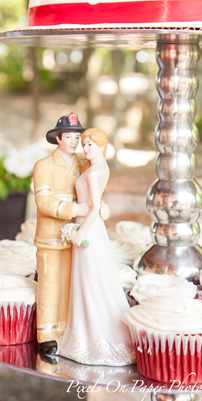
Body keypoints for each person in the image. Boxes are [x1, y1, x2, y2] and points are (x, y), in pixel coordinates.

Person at [58, 128, 135, 366]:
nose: (85, 148)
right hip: (95, 228)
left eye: (90, 144)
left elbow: (93, 207)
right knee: (94, 280)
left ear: (102, 146)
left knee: (88, 282)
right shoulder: (100, 167)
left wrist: (79, 232)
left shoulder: (93, 173)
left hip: (88, 228)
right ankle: (89, 335)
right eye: (84, 143)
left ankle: (90, 340)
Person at [32, 113, 90, 357]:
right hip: (51, 237)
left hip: (76, 236)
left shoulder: (83, 165)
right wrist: (75, 209)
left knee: (72, 285)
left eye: (77, 136)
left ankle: (68, 329)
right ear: (58, 138)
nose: (74, 141)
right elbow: (43, 200)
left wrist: (96, 209)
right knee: (50, 284)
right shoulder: (43, 166)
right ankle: (47, 334)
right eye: (69, 136)